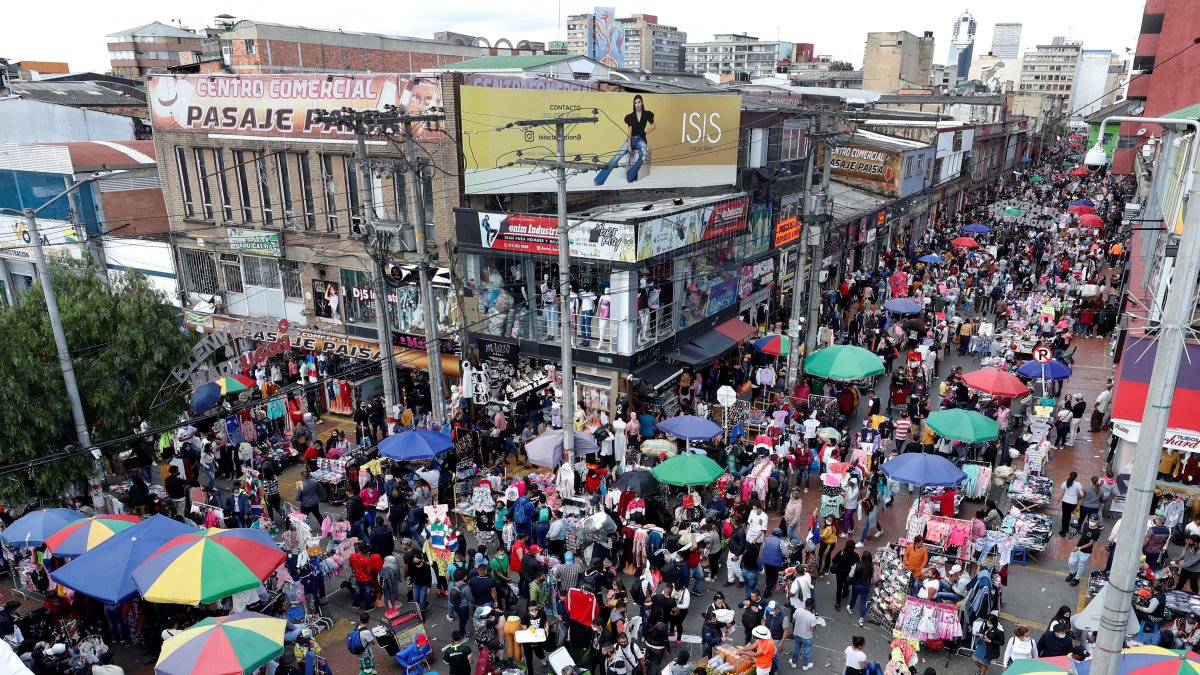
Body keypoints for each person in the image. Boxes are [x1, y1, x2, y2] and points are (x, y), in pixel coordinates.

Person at [594, 94, 656, 186]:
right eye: (635, 103)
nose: (637, 104)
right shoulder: (630, 116)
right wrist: (629, 145)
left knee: (644, 154)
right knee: (617, 156)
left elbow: (654, 126)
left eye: (639, 102)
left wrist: (645, 133)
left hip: (640, 140)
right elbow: (629, 131)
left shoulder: (647, 114)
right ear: (634, 104)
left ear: (642, 103)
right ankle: (599, 180)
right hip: (631, 139)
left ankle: (630, 176)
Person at [1066, 514, 1101, 587]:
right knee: (1071, 562)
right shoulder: (1085, 524)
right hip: (1078, 547)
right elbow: (1084, 534)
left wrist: (1078, 548)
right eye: (1090, 520)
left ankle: (1077, 579)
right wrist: (1076, 532)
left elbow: (1091, 543)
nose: (1091, 522)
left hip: (1085, 552)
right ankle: (1072, 573)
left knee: (1081, 566)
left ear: (1097, 521)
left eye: (1093, 521)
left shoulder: (1097, 532)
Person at [789, 597, 818, 670]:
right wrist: (815, 623)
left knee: (796, 648)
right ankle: (805, 665)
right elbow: (813, 629)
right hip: (807, 637)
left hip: (797, 634)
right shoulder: (812, 617)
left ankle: (793, 662)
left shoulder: (798, 610)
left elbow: (793, 620)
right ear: (811, 606)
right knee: (807, 651)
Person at [832, 540, 860, 611]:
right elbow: (857, 565)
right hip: (849, 573)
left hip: (839, 572)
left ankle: (838, 603)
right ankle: (845, 593)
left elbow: (834, 560)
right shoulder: (856, 556)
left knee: (839, 587)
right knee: (846, 583)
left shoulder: (841, 553)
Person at [847, 551, 873, 626]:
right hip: (867, 586)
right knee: (863, 602)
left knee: (853, 598)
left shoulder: (857, 564)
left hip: (857, 585)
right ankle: (861, 620)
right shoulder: (872, 566)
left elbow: (850, 575)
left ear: (863, 557)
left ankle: (851, 609)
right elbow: (874, 578)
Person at [1059, 472, 1084, 537]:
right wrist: (1080, 498)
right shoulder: (1078, 484)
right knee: (1069, 514)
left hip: (1065, 501)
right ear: (1075, 477)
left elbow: (1062, 493)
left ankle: (1063, 531)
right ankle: (1066, 528)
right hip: (1073, 503)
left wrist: (1058, 499)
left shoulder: (1064, 483)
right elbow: (1082, 494)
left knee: (1064, 516)